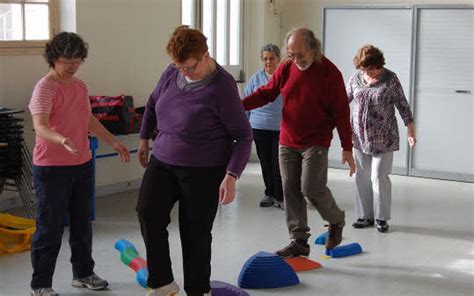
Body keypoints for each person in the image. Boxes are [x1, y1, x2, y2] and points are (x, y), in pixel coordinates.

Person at [136, 25, 252, 296]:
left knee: (195, 233)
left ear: (205, 56)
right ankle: (162, 283)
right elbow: (153, 104)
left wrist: (232, 175)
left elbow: (243, 138)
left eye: (189, 67)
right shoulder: (171, 72)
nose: (184, 73)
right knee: (148, 213)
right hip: (163, 159)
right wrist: (144, 139)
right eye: (179, 67)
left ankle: (198, 290)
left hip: (204, 169)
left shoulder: (222, 87)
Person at [28, 32, 130, 296]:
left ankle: (83, 273)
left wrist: (114, 142)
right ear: (54, 58)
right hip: (51, 167)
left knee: (82, 223)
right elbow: (39, 127)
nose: (72, 65)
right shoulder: (45, 87)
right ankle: (40, 284)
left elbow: (89, 121)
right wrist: (61, 139)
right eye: (67, 60)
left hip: (81, 163)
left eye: (77, 60)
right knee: (49, 227)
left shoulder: (80, 86)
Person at [242, 27, 356, 257]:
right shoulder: (286, 67)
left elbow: (341, 112)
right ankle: (299, 240)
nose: (295, 59)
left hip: (316, 140)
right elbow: (267, 92)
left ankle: (336, 220)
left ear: (313, 48)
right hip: (288, 139)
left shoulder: (329, 73)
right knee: (290, 189)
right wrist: (239, 105)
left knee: (310, 187)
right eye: (291, 54)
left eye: (300, 55)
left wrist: (347, 147)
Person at [347, 44, 416, 233]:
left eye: (371, 68)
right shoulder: (355, 79)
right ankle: (364, 216)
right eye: (364, 69)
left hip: (384, 138)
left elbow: (403, 105)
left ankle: (381, 218)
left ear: (379, 64)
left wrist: (410, 130)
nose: (369, 73)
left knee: (378, 176)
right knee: (361, 176)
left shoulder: (390, 79)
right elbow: (343, 100)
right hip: (359, 137)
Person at [243, 44, 284, 209]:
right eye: (265, 59)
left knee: (277, 164)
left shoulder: (284, 77)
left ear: (278, 59)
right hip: (258, 127)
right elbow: (245, 102)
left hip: (280, 128)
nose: (268, 62)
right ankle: (269, 193)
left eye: (271, 58)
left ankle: (280, 196)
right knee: (265, 163)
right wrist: (244, 127)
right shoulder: (255, 79)